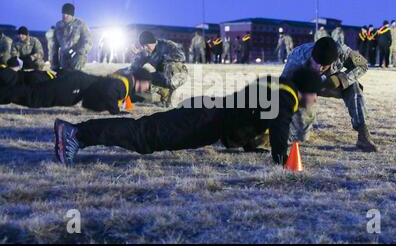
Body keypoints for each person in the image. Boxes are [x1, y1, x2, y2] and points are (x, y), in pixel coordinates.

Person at [53, 68, 323, 166]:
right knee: (145, 135)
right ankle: (76, 135)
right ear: (306, 90)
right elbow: (278, 128)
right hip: (204, 119)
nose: (314, 100)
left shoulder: (274, 84)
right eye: (315, 94)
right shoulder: (286, 97)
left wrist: (249, 146)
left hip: (207, 113)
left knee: (146, 133)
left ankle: (78, 134)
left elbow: (250, 115)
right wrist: (281, 162)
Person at [282, 37, 378, 152]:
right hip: (306, 87)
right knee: (301, 137)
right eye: (316, 63)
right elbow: (283, 87)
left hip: (330, 84)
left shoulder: (343, 51)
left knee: (354, 86)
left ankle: (363, 133)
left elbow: (363, 64)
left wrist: (341, 79)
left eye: (324, 66)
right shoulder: (298, 56)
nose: (319, 68)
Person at [0, 67, 153, 115]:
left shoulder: (125, 82)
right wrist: (115, 111)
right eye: (148, 84)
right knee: (34, 96)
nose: (147, 88)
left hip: (75, 83)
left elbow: (125, 95)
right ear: (140, 80)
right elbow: (109, 92)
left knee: (31, 83)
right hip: (73, 86)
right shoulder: (122, 84)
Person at [126, 31, 188, 107]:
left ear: (153, 42)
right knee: (139, 77)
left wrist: (166, 59)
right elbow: (134, 67)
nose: (145, 48)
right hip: (161, 76)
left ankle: (171, 94)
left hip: (175, 75)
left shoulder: (167, 45)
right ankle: (164, 92)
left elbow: (182, 56)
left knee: (173, 65)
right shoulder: (145, 53)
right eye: (143, 46)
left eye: (147, 45)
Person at [51, 3, 93, 71]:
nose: (65, 15)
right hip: (64, 57)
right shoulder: (59, 25)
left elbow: (88, 41)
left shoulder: (80, 24)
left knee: (75, 75)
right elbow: (54, 45)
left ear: (72, 14)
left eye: (67, 14)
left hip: (77, 55)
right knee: (64, 76)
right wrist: (54, 63)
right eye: (63, 13)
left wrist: (80, 52)